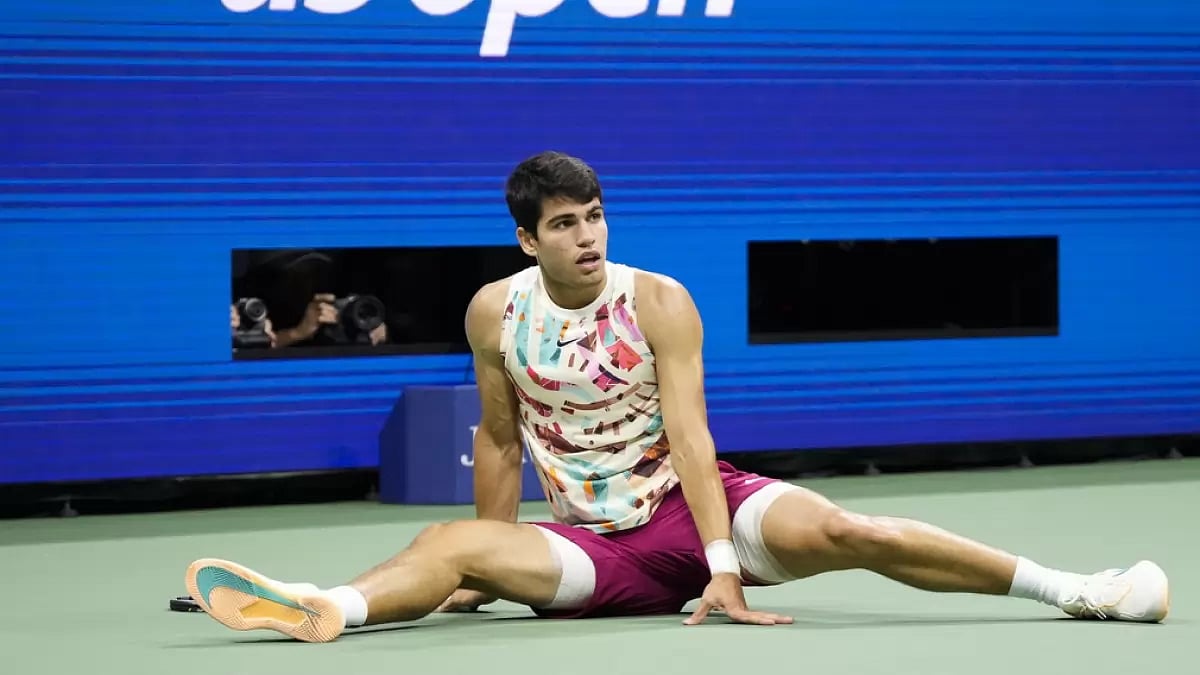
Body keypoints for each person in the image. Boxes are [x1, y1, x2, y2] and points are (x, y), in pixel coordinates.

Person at [184, 151, 1170, 643]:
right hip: (588, 548)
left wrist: (721, 567)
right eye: (566, 224)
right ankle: (328, 609)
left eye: (596, 216)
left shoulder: (658, 300)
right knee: (445, 547)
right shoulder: (496, 313)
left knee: (847, 529)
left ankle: (1078, 590)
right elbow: (496, 442)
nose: (588, 236)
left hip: (698, 513)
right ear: (527, 240)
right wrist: (489, 566)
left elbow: (694, 440)